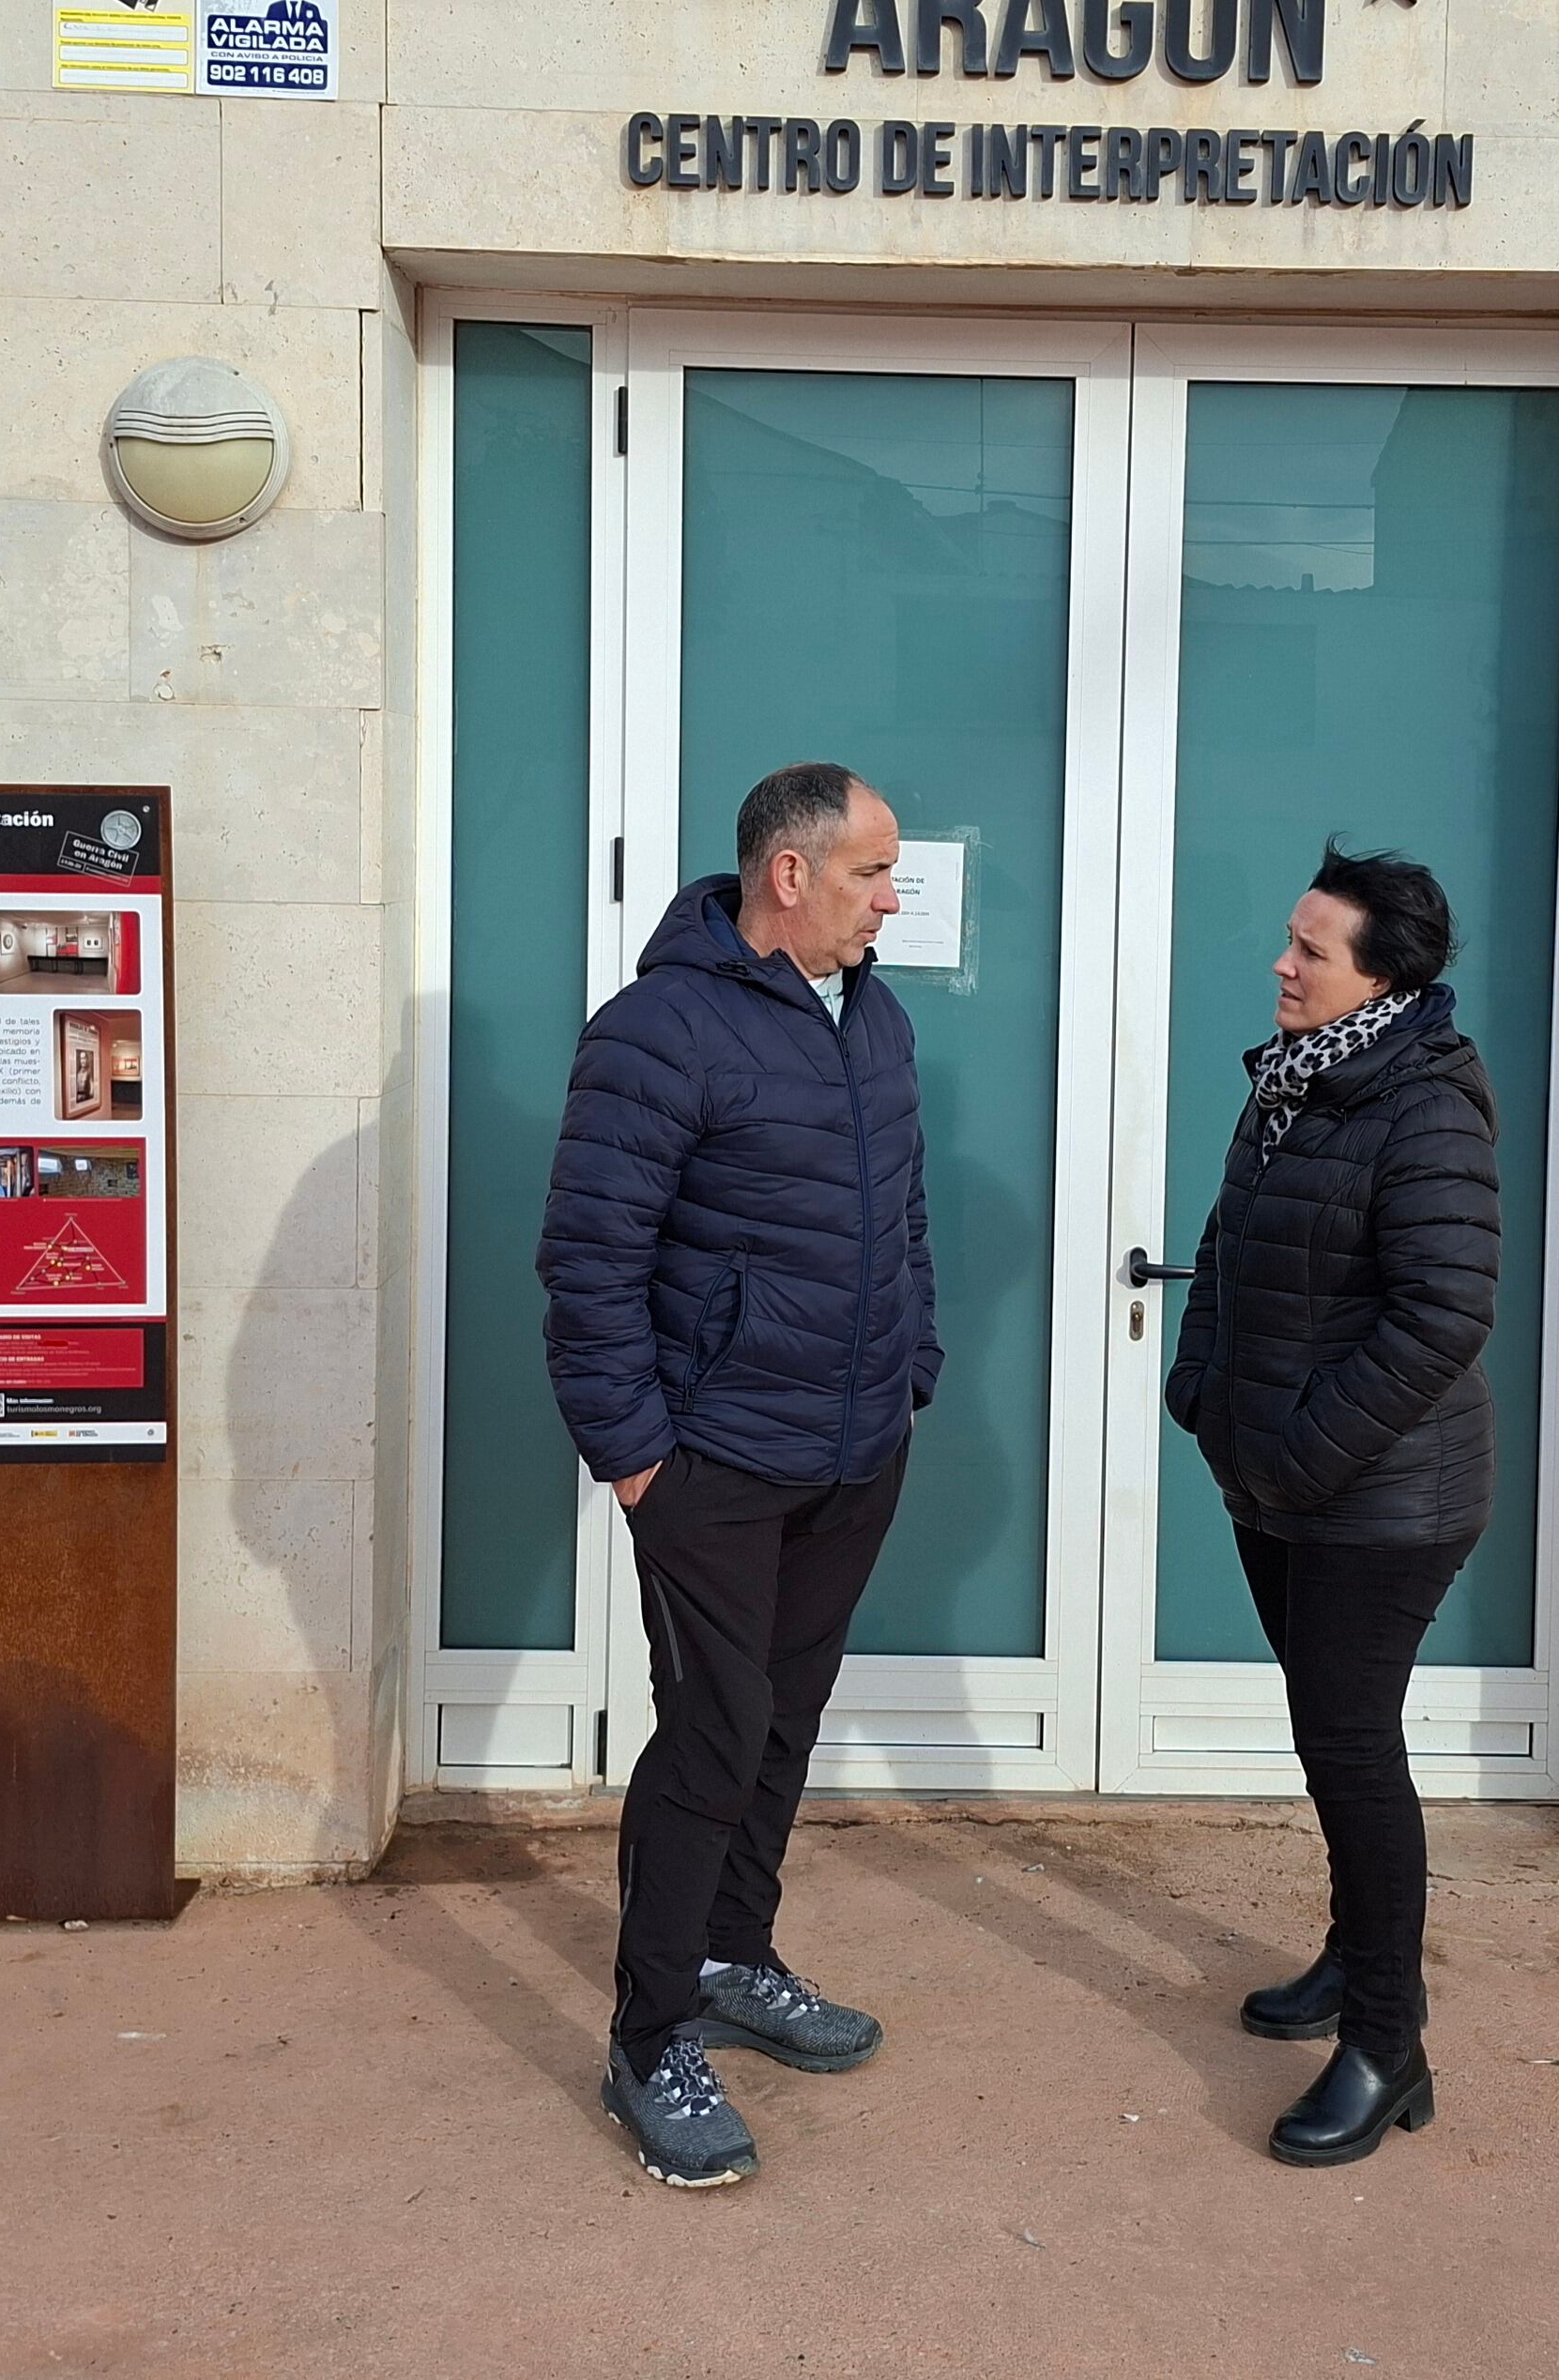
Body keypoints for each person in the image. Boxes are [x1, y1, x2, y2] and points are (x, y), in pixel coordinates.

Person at [537, 761, 939, 2189]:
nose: (894, 896)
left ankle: (732, 1954)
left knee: (781, 1724)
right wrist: (638, 1457)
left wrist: (912, 1365)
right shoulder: (660, 1031)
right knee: (713, 1735)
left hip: (852, 1449)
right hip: (714, 1459)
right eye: (872, 872)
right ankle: (650, 2037)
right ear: (788, 874)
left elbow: (902, 1208)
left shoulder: (871, 1013)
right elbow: (589, 1267)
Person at [1162, 843, 1499, 2169]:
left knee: (1352, 1748)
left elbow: (1442, 1316)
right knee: (1330, 1742)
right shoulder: (1298, 1081)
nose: (1282, 964)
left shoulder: (1423, 1105)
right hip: (1286, 1481)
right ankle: (1355, 1957)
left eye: (1310, 949)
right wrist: (1202, 1389)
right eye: (1289, 939)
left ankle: (1385, 2037)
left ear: (1382, 974)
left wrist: (1300, 1453)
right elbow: (1233, 1244)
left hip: (1385, 1499)